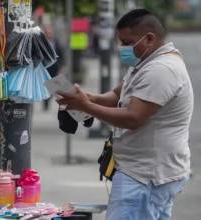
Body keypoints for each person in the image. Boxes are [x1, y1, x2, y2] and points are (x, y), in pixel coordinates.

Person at [56, 9, 193, 220]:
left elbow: (133, 118)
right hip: (139, 172)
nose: (122, 48)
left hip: (146, 176)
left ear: (149, 39)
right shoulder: (144, 63)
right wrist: (87, 98)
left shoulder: (161, 70)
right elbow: (116, 96)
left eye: (127, 42)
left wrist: (85, 106)